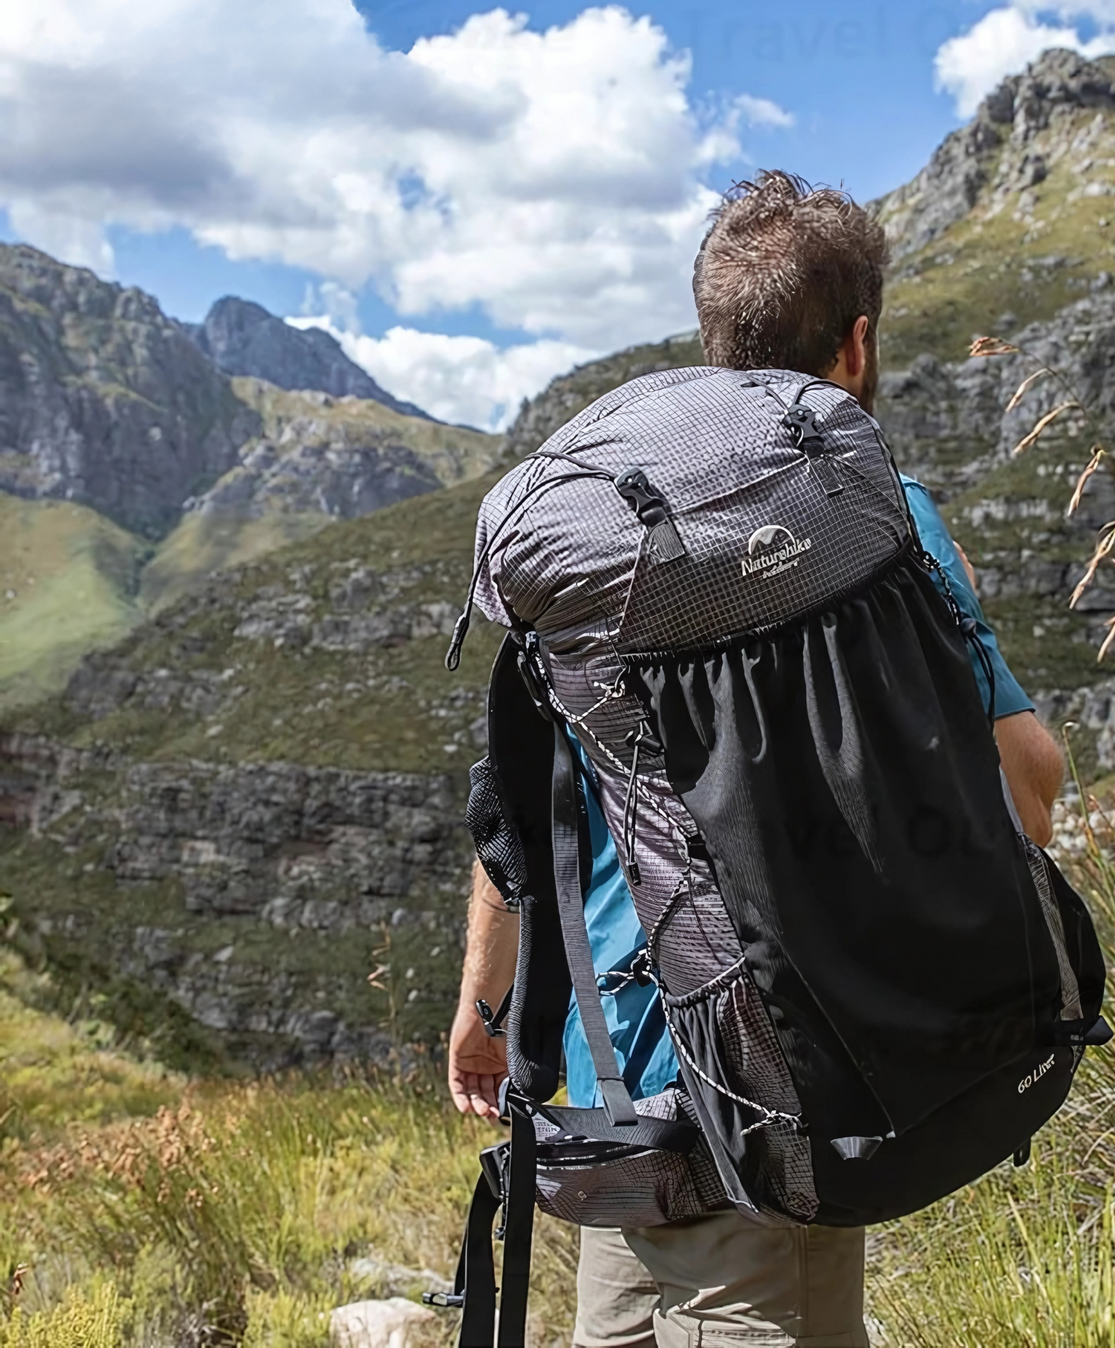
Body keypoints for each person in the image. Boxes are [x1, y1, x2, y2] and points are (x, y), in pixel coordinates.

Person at [448, 171, 1065, 1347]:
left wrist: (484, 1009)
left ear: (711, 339)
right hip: (783, 1063)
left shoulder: (605, 552)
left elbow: (524, 827)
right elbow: (1024, 791)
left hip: (611, 1080)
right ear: (858, 343)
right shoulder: (884, 519)